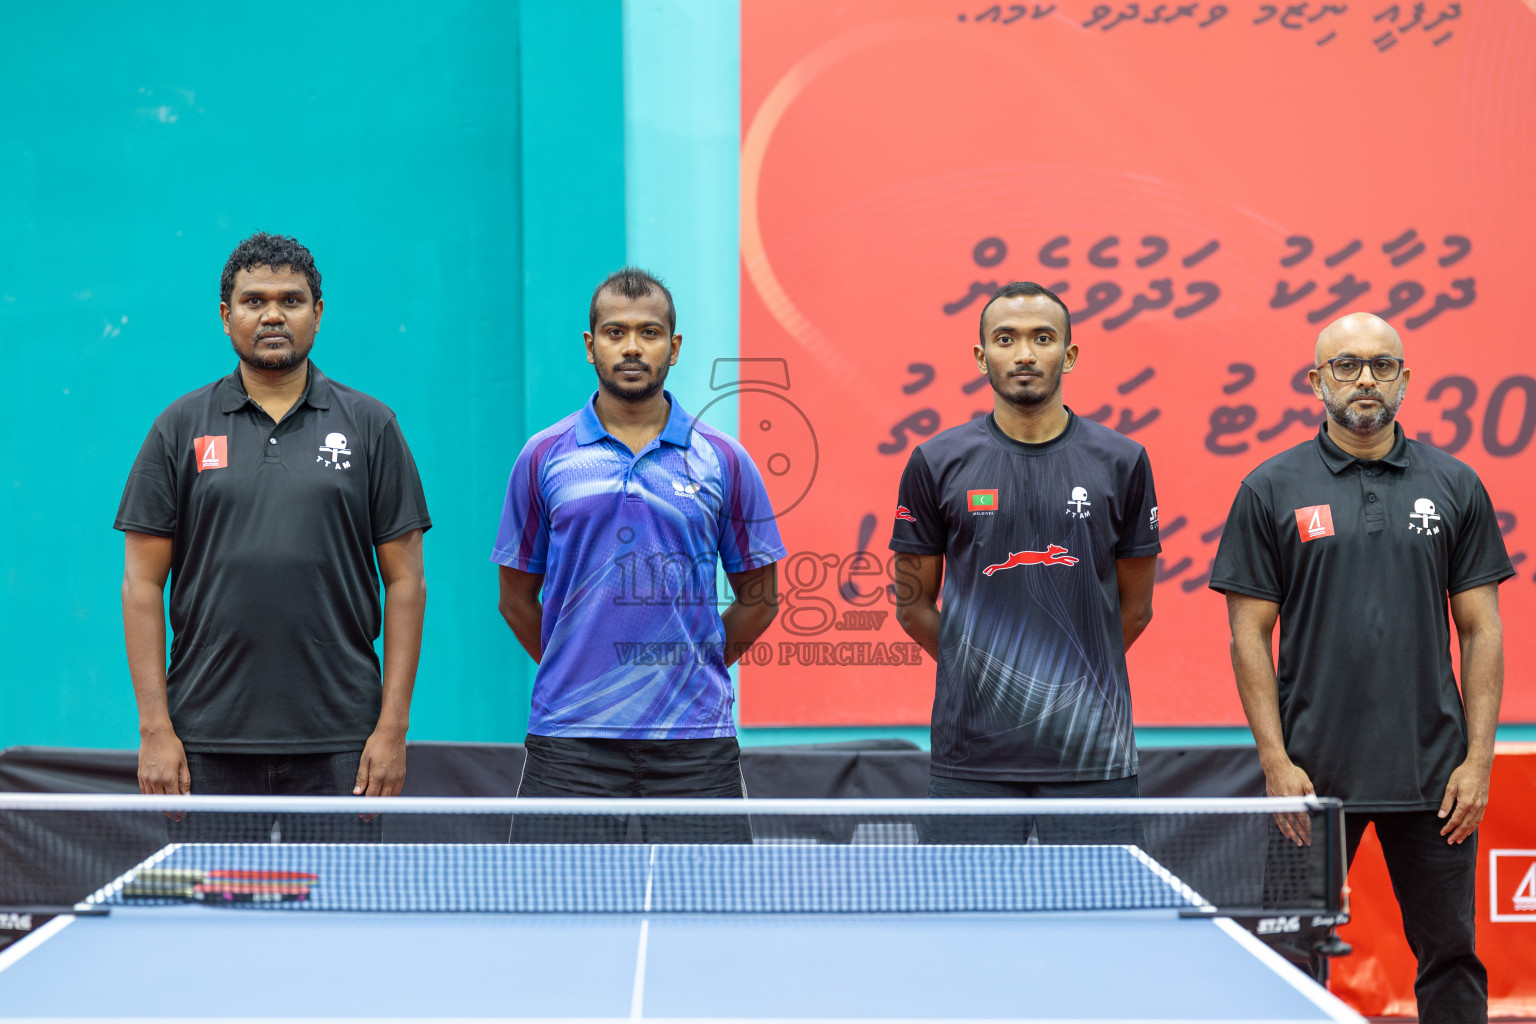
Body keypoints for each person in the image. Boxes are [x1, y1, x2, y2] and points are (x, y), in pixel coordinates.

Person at [1210, 312, 1509, 1022]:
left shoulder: (1456, 484)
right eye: (1346, 365)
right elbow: (1247, 636)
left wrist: (1478, 760)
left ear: (1405, 379)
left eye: (1381, 364)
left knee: (1451, 956)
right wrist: (1276, 762)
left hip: (1435, 775)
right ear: (1316, 382)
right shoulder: (1269, 487)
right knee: (1284, 957)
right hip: (1311, 781)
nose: (1365, 378)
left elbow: (1481, 627)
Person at [117, 232, 430, 825]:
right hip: (205, 740)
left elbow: (407, 582)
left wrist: (392, 729)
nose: (272, 315)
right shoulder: (178, 427)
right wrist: (155, 729)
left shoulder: (371, 425)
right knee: (211, 919)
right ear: (226, 316)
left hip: (344, 744)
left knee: (338, 919)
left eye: (290, 299)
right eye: (253, 300)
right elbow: (140, 585)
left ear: (317, 313)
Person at [492, 268, 783, 837]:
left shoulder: (723, 459)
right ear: (590, 345)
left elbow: (761, 596)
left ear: (673, 348)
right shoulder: (543, 455)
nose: (631, 347)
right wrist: (577, 666)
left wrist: (694, 662)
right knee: (548, 921)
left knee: (711, 922)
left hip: (694, 744)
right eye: (614, 332)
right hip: (569, 742)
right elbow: (515, 599)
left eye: (649, 333)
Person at [889, 281, 1159, 843]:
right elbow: (913, 605)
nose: (1026, 354)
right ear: (981, 355)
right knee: (966, 930)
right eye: (1006, 339)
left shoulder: (1123, 461)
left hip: (1092, 754)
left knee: (1102, 929)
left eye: (1043, 338)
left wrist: (1068, 673)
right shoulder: (935, 461)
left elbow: (1134, 610)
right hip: (972, 757)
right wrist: (981, 672)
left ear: (1071, 353)